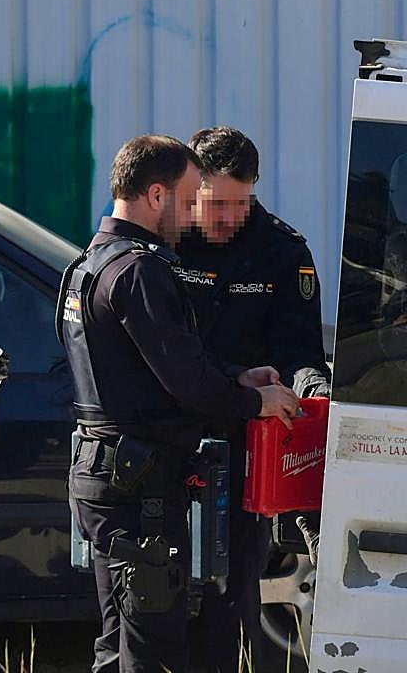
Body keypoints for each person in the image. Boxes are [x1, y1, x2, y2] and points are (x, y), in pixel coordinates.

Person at [59, 135, 300, 673]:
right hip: (139, 485)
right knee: (154, 650)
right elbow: (184, 382)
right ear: (155, 194)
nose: (194, 212)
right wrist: (253, 401)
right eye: (190, 197)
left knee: (117, 642)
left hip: (102, 475)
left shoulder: (88, 264)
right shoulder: (141, 271)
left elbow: (152, 365)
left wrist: (239, 374)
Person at [175, 127, 331, 671]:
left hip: (243, 454)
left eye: (240, 204)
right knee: (157, 605)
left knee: (228, 597)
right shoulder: (162, 244)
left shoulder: (283, 251)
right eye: (216, 204)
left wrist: (311, 388)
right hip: (166, 444)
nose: (226, 218)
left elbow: (299, 350)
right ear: (191, 187)